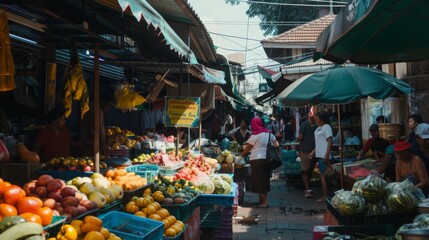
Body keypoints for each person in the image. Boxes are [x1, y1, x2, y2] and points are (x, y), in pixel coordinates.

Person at [239, 117, 279, 208]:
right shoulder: (269, 134)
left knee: (259, 181)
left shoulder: (255, 135)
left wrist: (240, 156)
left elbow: (247, 149)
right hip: (267, 160)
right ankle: (262, 200)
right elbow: (277, 145)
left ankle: (264, 202)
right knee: (264, 180)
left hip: (257, 160)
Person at [309, 112, 333, 203]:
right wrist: (313, 152)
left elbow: (329, 141)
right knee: (323, 176)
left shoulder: (327, 127)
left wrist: (327, 154)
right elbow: (319, 142)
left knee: (324, 176)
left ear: (321, 119)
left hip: (324, 155)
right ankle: (326, 194)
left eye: (317, 118)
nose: (315, 120)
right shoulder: (318, 128)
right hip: (319, 155)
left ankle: (325, 195)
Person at [297, 114, 317, 198]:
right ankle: (308, 189)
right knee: (308, 170)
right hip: (314, 150)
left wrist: (298, 138)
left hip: (307, 150)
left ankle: (308, 189)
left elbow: (300, 137)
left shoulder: (304, 124)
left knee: (305, 170)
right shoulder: (317, 124)